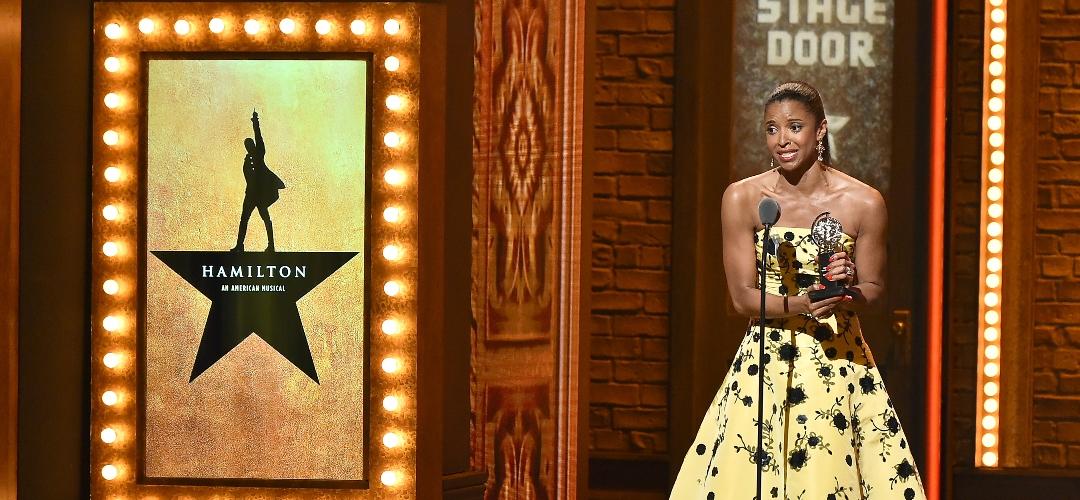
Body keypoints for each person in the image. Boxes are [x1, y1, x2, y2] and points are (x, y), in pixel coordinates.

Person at [669, 82, 927, 499]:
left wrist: (846, 289)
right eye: (772, 129)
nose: (782, 140)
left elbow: (875, 290)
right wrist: (804, 303)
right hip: (766, 365)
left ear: (820, 130)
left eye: (794, 127)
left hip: (838, 361)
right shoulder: (743, 198)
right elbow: (739, 298)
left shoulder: (864, 202)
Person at [230, 110, 286, 252]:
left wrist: (255, 121)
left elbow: (258, 136)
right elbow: (247, 177)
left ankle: (271, 245)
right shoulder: (247, 161)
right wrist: (246, 167)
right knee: (244, 220)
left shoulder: (259, 154)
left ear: (253, 145)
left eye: (250, 145)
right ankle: (240, 246)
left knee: (266, 218)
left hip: (260, 195)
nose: (249, 147)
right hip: (250, 194)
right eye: (247, 146)